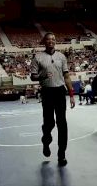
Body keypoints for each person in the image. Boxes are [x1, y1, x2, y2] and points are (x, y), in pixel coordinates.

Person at [31, 32, 75, 167]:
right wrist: (42, 76)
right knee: (49, 123)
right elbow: (33, 77)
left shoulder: (61, 57)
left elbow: (66, 77)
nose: (51, 41)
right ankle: (46, 140)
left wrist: (71, 94)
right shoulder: (37, 58)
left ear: (55, 42)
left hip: (60, 92)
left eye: (53, 39)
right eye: (48, 39)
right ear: (44, 41)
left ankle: (62, 154)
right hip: (47, 92)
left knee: (62, 124)